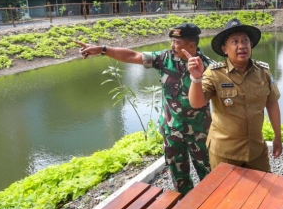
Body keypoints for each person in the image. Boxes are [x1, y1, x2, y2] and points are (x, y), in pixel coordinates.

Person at [74, 23, 215, 197]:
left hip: (200, 132)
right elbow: (133, 56)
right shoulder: (165, 58)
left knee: (209, 173)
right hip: (172, 131)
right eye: (172, 41)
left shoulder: (209, 67)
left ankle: (212, 207)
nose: (172, 46)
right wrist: (103, 49)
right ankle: (187, 208)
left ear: (191, 45)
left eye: (177, 43)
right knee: (179, 178)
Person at [184, 18, 283, 209]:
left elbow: (272, 104)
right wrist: (196, 78)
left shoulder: (263, 72)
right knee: (226, 196)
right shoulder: (214, 73)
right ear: (224, 48)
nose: (242, 46)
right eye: (235, 41)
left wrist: (278, 137)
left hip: (256, 148)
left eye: (245, 41)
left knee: (263, 194)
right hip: (225, 150)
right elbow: (196, 102)